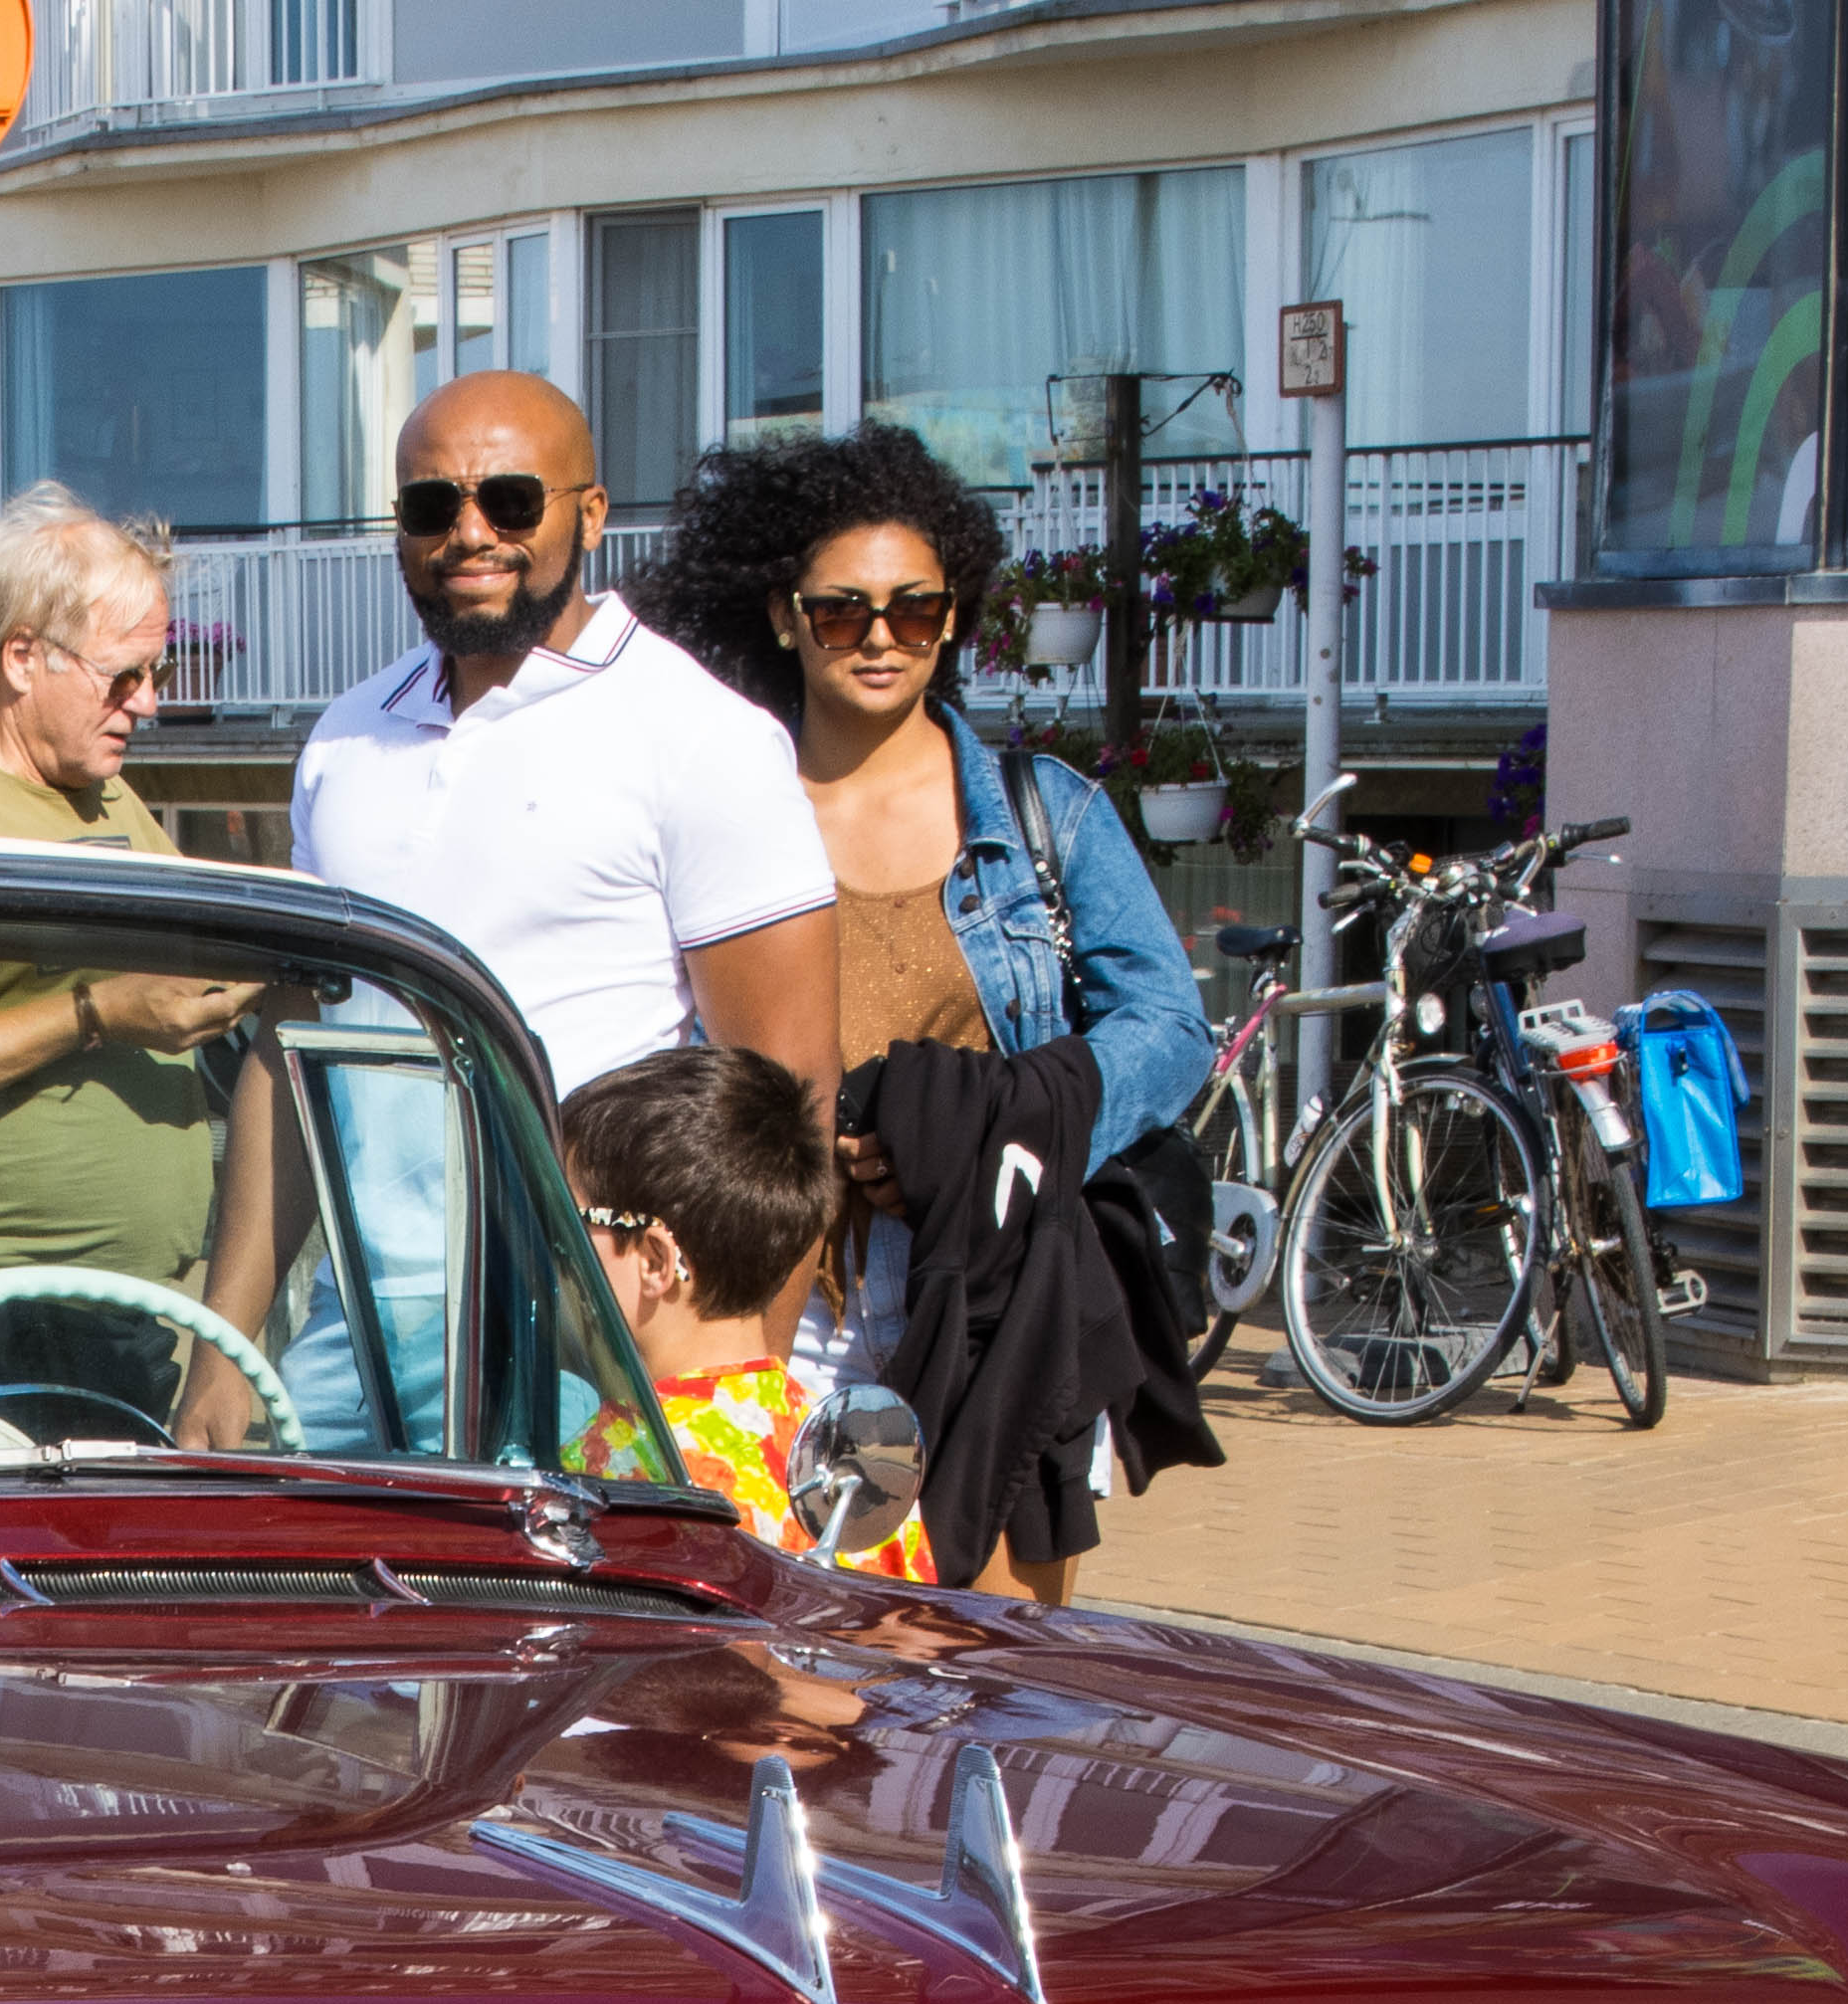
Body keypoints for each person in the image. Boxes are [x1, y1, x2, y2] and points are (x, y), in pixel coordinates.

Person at [0, 488, 284, 1445]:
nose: (146, 704)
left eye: (156, 671)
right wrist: (96, 1014)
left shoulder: (109, 798)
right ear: (23, 658)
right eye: (123, 677)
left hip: (123, 1320)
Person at [649, 423, 1202, 1173]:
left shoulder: (1047, 814)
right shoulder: (718, 813)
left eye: (911, 611)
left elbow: (1168, 1027)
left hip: (991, 1265)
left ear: (948, 618)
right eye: (841, 612)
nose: (878, 639)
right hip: (781, 1271)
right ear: (785, 617)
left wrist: (1001, 1124)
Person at [295, 375, 840, 1103]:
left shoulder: (704, 738)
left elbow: (788, 1102)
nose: (471, 535)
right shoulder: (347, 736)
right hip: (359, 1223)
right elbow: (292, 1041)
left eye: (511, 502)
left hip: (584, 1220)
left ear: (590, 517)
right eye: (431, 507)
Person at [561, 1044, 919, 1579]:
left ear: (656, 1260)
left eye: (566, 1222)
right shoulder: (850, 1465)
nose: (547, 1249)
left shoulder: (612, 1464)